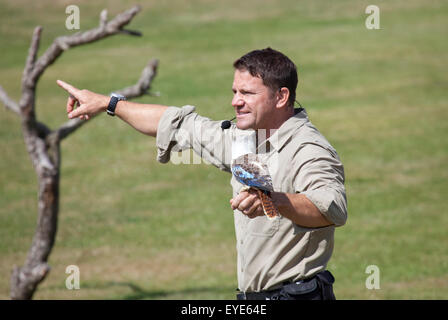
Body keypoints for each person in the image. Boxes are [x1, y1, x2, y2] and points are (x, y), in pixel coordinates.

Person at [56, 47, 347, 300]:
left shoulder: (308, 148)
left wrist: (273, 201)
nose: (235, 101)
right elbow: (177, 124)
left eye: (247, 93)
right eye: (234, 91)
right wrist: (109, 103)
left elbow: (331, 208)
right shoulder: (246, 140)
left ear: (281, 96)